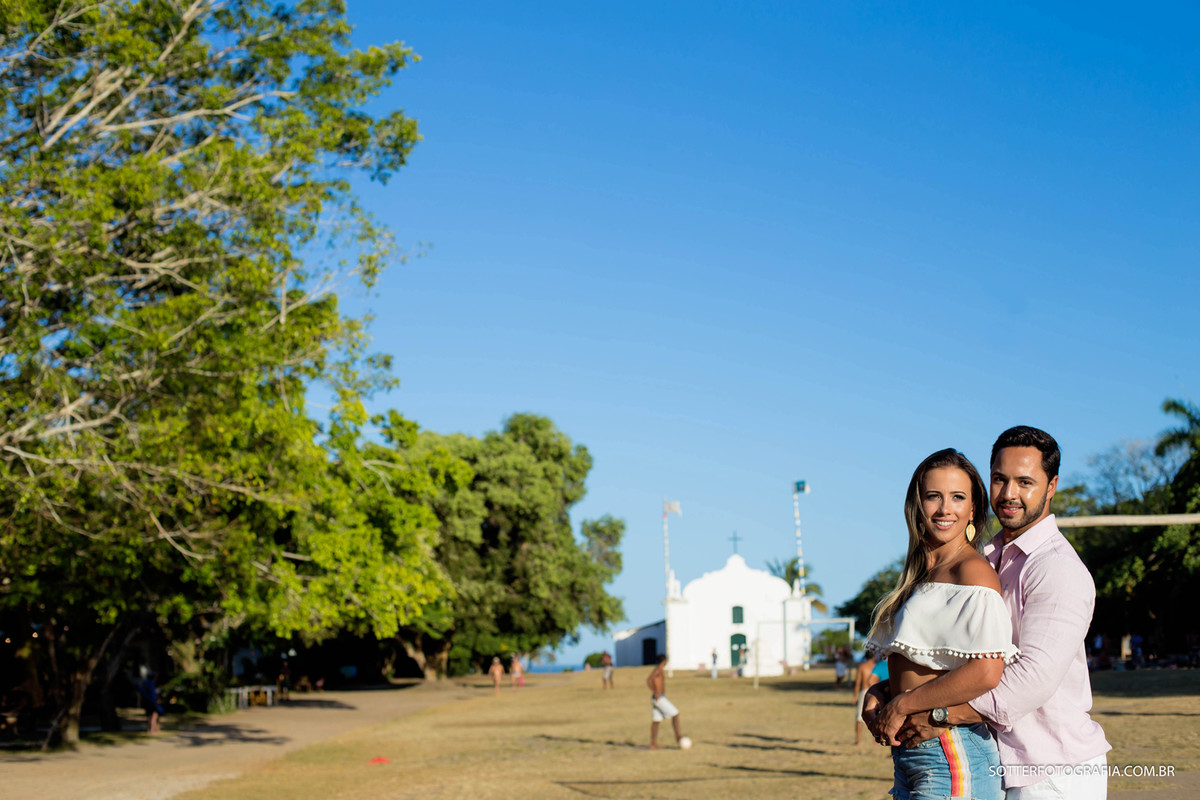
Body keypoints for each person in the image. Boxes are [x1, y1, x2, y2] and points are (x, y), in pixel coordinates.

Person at [878, 427, 1111, 799]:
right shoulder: (987, 557)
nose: (1009, 494)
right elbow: (952, 658)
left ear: (1051, 486)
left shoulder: (1057, 569)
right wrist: (888, 692)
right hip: (1001, 762)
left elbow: (1031, 679)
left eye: (1025, 482)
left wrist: (935, 712)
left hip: (1050, 771)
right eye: (1000, 479)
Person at [864, 448, 1018, 800]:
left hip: (950, 752)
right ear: (916, 504)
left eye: (958, 497)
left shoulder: (972, 572)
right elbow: (929, 660)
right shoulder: (920, 576)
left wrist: (902, 705)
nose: (945, 508)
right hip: (911, 756)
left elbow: (985, 672)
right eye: (933, 496)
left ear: (973, 509)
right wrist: (882, 693)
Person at [646, 654, 686, 749]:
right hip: (659, 698)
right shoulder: (658, 669)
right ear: (664, 661)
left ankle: (653, 743)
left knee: (656, 721)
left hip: (659, 697)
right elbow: (649, 680)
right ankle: (678, 737)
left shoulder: (659, 669)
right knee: (675, 714)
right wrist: (655, 691)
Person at [852, 653, 880, 746]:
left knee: (859, 717)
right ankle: (876, 740)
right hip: (874, 692)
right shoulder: (877, 666)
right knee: (875, 716)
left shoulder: (862, 666)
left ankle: (858, 740)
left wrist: (855, 696)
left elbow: (858, 682)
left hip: (864, 692)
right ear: (874, 656)